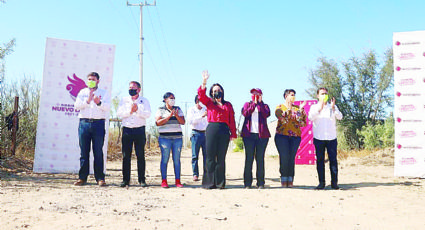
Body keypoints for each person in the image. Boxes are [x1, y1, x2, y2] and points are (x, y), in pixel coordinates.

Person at [198, 70, 237, 189]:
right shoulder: (209, 103)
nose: (217, 92)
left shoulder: (228, 104)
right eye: (214, 91)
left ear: (222, 92)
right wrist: (204, 81)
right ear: (211, 92)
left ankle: (220, 182)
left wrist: (233, 134)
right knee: (210, 157)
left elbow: (232, 119)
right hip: (212, 129)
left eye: (219, 90)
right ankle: (209, 182)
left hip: (224, 130)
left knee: (221, 157)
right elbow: (201, 96)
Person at [73, 72, 110, 186]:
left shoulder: (104, 93)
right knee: (84, 152)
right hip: (84, 123)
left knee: (98, 152)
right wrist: (87, 101)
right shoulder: (82, 92)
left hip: (98, 124)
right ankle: (82, 178)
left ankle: (100, 178)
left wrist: (99, 103)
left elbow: (107, 107)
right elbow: (76, 106)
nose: (91, 81)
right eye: (89, 79)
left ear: (98, 81)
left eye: (93, 79)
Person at [116, 81, 151, 188]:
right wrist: (130, 111)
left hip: (139, 130)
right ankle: (126, 180)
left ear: (139, 90)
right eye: (130, 87)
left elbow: (148, 114)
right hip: (127, 130)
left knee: (140, 155)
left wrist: (138, 111)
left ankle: (142, 179)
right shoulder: (124, 100)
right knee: (126, 156)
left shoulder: (144, 101)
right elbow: (119, 113)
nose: (131, 89)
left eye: (134, 88)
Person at [308, 87, 343, 190]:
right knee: (320, 160)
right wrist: (320, 108)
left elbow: (340, 117)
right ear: (318, 96)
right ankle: (321, 183)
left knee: (333, 160)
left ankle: (334, 183)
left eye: (326, 93)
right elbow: (310, 118)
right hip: (319, 138)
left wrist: (333, 108)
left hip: (331, 138)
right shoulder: (314, 107)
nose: (324, 95)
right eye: (322, 94)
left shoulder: (333, 106)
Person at [274, 89, 306, 188]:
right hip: (282, 135)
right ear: (286, 96)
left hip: (295, 136)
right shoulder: (280, 107)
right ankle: (283, 178)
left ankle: (290, 179)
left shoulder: (297, 108)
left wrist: (300, 111)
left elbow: (302, 123)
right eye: (291, 95)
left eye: (294, 95)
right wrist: (288, 109)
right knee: (284, 157)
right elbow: (282, 119)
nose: (293, 97)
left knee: (291, 158)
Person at [241, 88, 271, 189]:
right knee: (249, 158)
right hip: (249, 135)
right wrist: (253, 104)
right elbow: (245, 113)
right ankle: (247, 183)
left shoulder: (265, 106)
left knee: (260, 159)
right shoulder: (247, 104)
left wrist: (260, 103)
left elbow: (266, 114)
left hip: (261, 136)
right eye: (253, 93)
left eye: (257, 94)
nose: (255, 95)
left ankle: (260, 183)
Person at [155, 92, 185, 188]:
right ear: (165, 99)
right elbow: (158, 123)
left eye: (174, 98)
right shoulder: (160, 110)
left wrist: (176, 115)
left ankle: (178, 181)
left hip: (177, 138)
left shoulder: (178, 109)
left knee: (176, 160)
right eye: (171, 98)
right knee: (165, 159)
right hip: (165, 139)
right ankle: (164, 180)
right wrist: (169, 116)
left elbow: (183, 122)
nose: (173, 100)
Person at [187, 95, 208, 181]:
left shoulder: (206, 109)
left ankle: (206, 174)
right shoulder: (191, 110)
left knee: (206, 156)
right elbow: (191, 121)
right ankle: (195, 174)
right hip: (195, 133)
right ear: (197, 101)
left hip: (206, 133)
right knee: (195, 155)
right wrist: (202, 116)